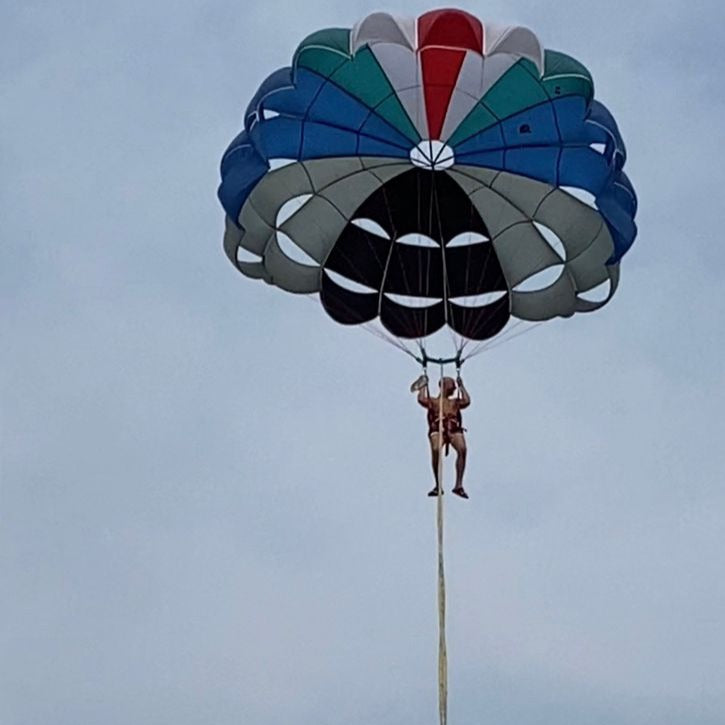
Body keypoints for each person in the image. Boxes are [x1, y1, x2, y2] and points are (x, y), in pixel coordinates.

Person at [410, 373, 471, 499]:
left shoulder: (455, 402)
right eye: (452, 385)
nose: (454, 388)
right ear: (443, 385)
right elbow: (421, 400)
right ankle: (438, 485)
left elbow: (467, 401)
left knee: (462, 449)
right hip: (438, 428)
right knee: (436, 449)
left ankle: (458, 485)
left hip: (453, 429)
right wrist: (423, 385)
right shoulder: (433, 401)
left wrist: (462, 386)